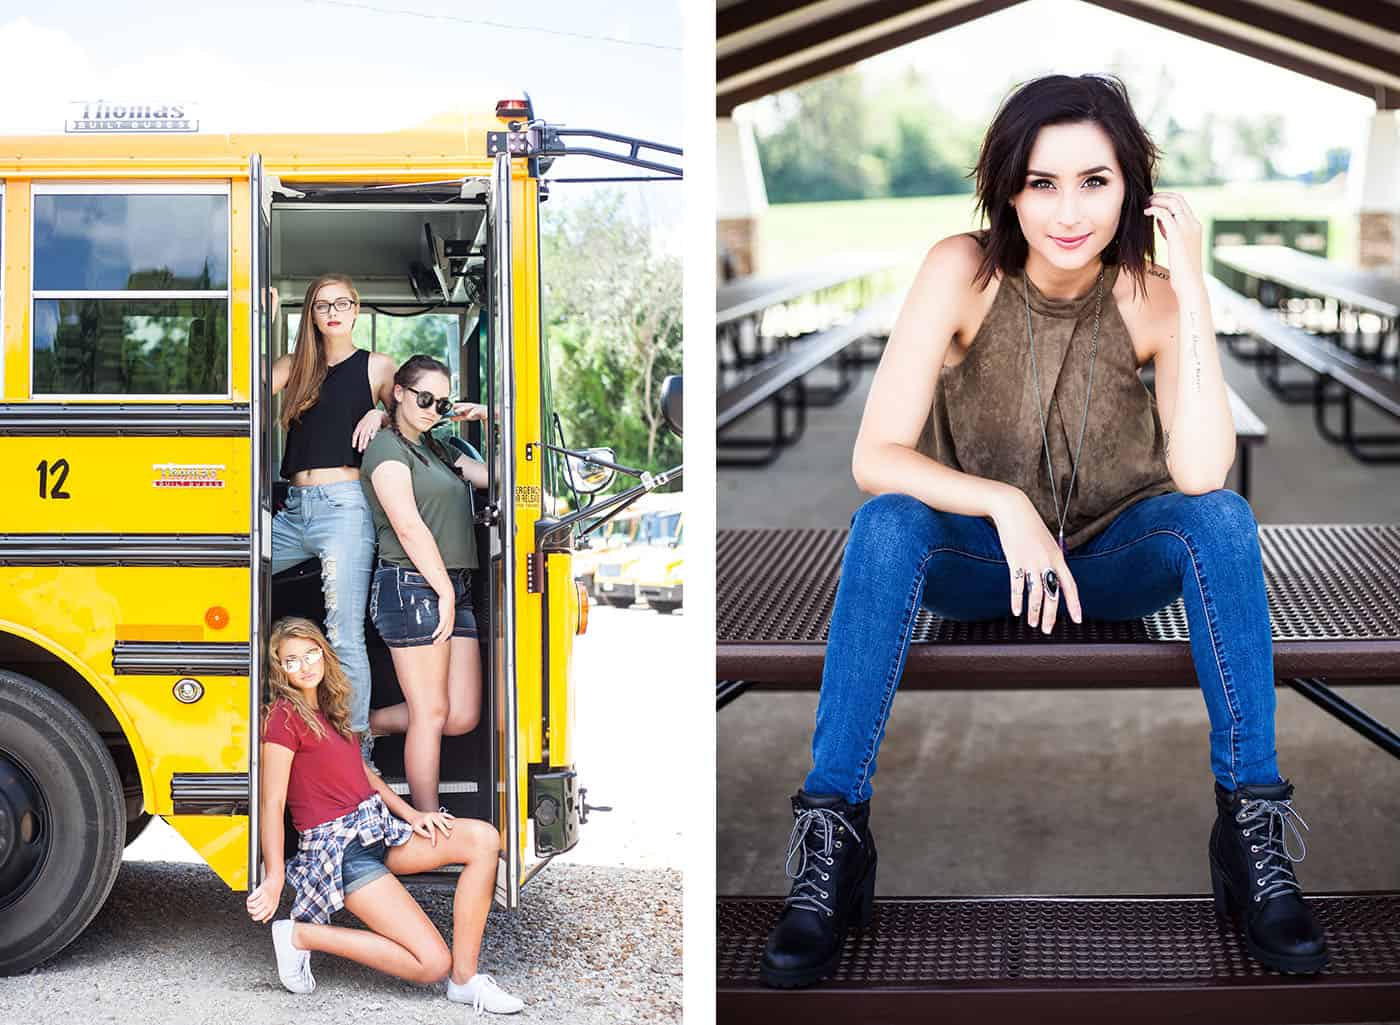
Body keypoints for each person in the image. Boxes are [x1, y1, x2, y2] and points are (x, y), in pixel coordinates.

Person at [759, 73, 1328, 988]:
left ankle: (1250, 824)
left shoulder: (1150, 293)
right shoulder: (962, 271)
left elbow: (1198, 473)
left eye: (1094, 181)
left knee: (1221, 519)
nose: (1068, 211)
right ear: (1009, 190)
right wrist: (1004, 503)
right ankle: (835, 836)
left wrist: (1191, 287)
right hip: (979, 562)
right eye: (1042, 183)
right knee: (885, 521)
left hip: (1113, 563)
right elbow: (875, 454)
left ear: (1131, 187)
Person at [245, 616, 522, 1014]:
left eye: (310, 654)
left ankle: (465, 980)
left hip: (376, 829)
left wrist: (413, 815)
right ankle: (300, 936)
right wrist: (274, 876)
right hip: (340, 850)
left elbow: (363, 773)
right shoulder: (283, 718)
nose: (304, 666)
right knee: (431, 963)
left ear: (324, 654)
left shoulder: (330, 707)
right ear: (279, 669)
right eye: (292, 660)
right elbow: (272, 802)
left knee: (483, 839)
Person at [270, 274, 397, 764]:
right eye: (322, 305)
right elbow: (244, 387)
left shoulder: (376, 366)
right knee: (236, 573)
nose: (333, 313)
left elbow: (412, 416)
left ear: (356, 309)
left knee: (343, 634)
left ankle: (357, 757)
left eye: (342, 303)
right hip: (293, 511)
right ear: (311, 314)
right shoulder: (294, 366)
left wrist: (380, 416)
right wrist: (261, 316)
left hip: (344, 508)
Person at [360, 354, 489, 813]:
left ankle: (365, 725)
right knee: (431, 712)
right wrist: (444, 593)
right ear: (398, 393)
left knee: (461, 714)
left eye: (443, 403)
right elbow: (408, 526)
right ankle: (427, 819)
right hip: (412, 585)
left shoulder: (442, 449)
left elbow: (503, 478)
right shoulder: (385, 448)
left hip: (453, 586)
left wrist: (491, 418)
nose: (434, 409)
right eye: (425, 398)